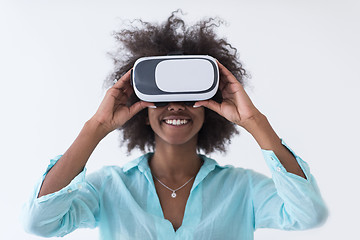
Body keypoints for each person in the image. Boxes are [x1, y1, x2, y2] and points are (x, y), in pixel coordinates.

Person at [23, 11, 328, 239]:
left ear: (210, 107)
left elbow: (309, 214)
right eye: (162, 96)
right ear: (140, 108)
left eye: (190, 95)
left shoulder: (243, 189)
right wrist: (97, 127)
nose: (176, 105)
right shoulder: (109, 187)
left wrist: (254, 122)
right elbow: (40, 222)